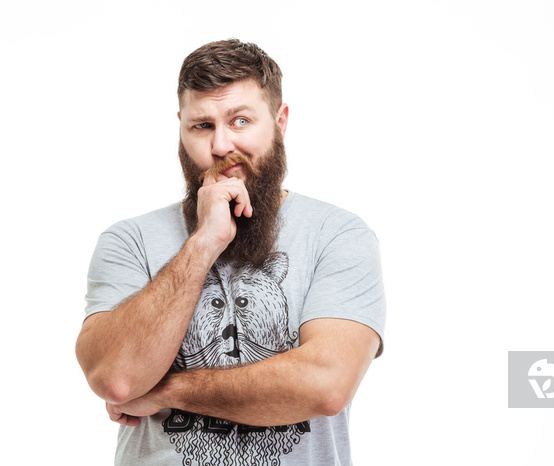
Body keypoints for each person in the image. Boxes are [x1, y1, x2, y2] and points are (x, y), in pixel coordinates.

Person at [75, 38, 386, 466]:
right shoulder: (130, 240)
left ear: (280, 121)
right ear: (180, 125)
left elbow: (325, 386)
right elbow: (116, 379)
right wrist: (203, 243)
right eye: (202, 126)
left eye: (240, 121)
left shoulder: (337, 235)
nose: (221, 146)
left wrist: (164, 391)